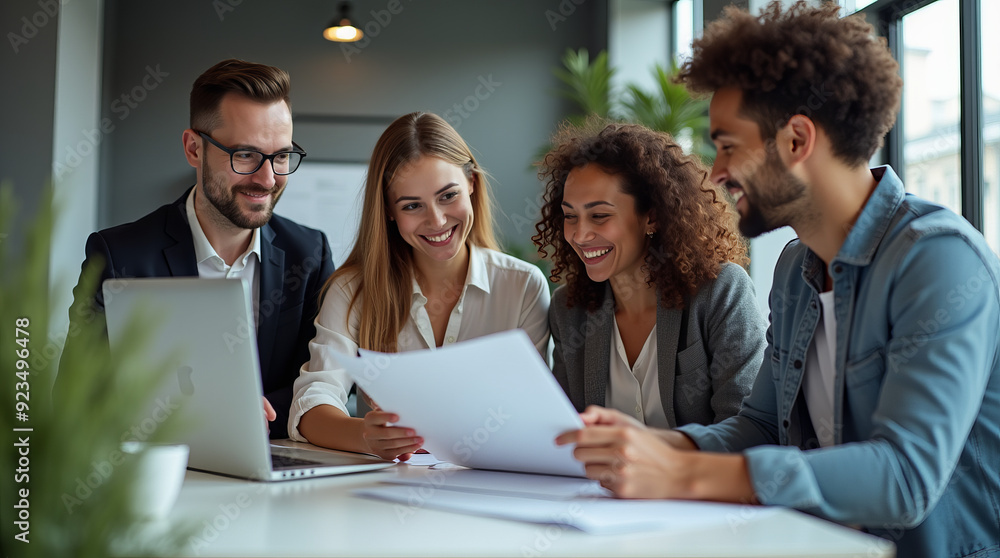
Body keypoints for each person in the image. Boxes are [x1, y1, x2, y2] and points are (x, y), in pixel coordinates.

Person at [556, 3, 1000, 557]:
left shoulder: (938, 259)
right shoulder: (796, 269)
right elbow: (763, 426)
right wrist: (645, 445)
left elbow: (903, 477)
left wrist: (684, 475)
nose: (715, 173)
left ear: (796, 140)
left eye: (727, 146)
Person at [59, 59, 335, 439]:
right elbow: (76, 397)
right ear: (193, 149)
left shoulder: (310, 253)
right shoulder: (119, 255)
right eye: (246, 155)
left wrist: (263, 412)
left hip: (279, 476)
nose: (268, 178)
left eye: (282, 156)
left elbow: (323, 381)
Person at [289, 111, 550, 461]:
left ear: (471, 182)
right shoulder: (352, 290)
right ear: (389, 212)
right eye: (413, 205)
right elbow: (312, 402)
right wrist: (365, 436)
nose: (437, 220)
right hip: (389, 494)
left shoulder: (523, 286)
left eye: (447, 196)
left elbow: (535, 414)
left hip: (493, 485)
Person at [533, 119, 765, 429]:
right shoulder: (569, 310)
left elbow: (746, 428)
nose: (580, 235)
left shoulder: (720, 291)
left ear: (652, 216)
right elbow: (566, 429)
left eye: (599, 216)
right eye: (570, 216)